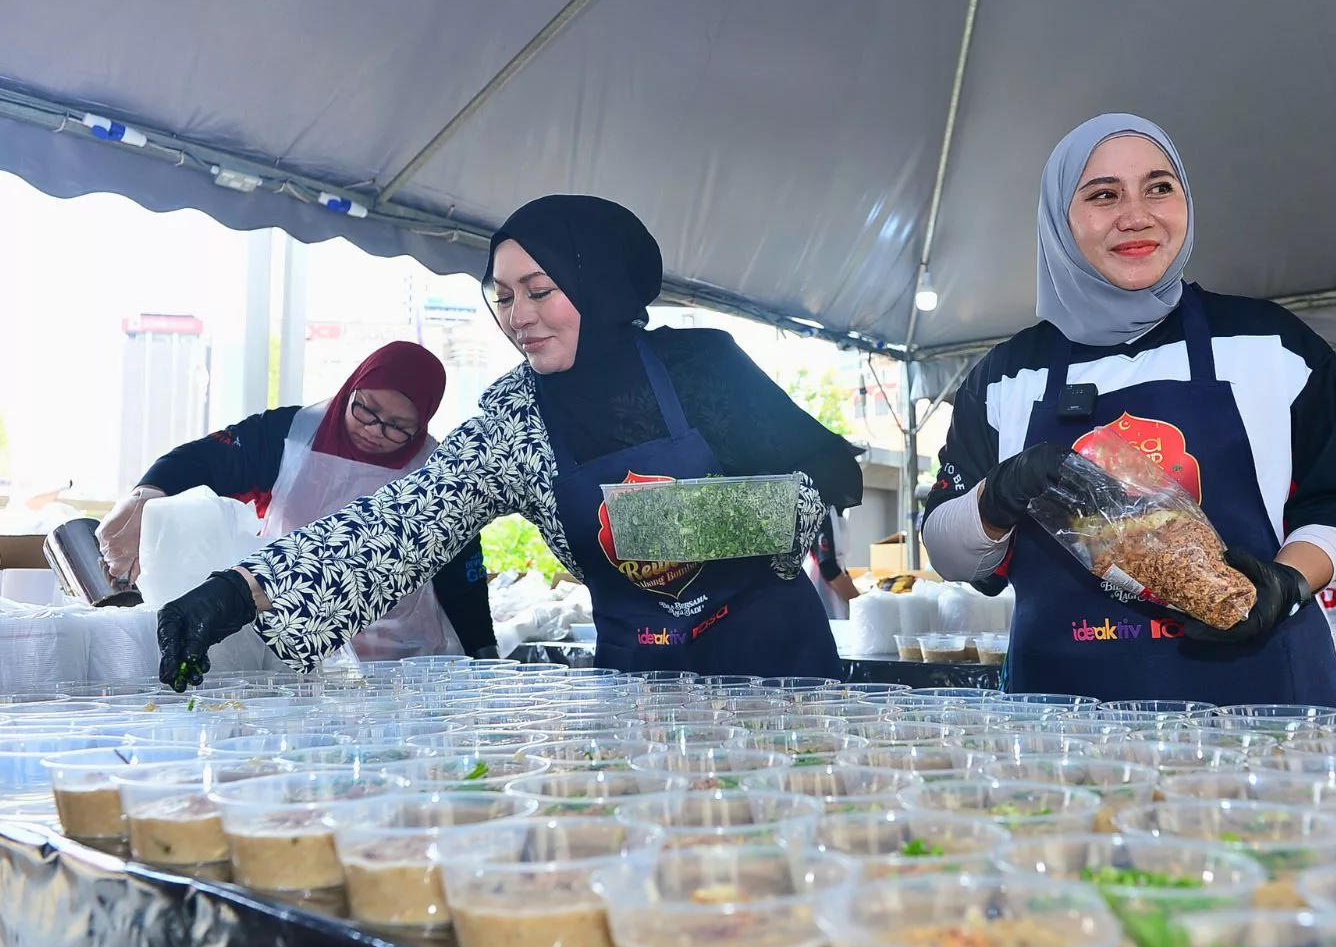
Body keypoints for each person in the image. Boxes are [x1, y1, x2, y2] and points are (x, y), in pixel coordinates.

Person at [152, 195, 862, 689]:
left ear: (600, 284)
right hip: (644, 690)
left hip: (777, 672)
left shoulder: (703, 367)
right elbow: (399, 525)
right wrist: (240, 591)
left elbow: (816, 489)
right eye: (502, 294)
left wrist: (660, 523)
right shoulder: (515, 420)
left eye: (539, 289)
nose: (517, 316)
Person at [922, 113, 1336, 706]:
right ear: (1060, 219)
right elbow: (947, 551)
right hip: (1065, 717)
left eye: (1159, 188)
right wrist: (995, 497)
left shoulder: (1270, 345)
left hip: (1259, 699)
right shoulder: (1004, 377)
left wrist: (1290, 580)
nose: (1136, 216)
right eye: (1103, 195)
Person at [97, 342, 494, 660]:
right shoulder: (290, 434)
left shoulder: (438, 470)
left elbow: (463, 577)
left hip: (402, 660)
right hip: (288, 643)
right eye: (366, 410)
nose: (375, 430)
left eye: (397, 428)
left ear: (421, 425)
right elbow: (200, 460)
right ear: (350, 388)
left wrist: (484, 651)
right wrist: (146, 494)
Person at [807, 506, 860, 620]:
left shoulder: (835, 509)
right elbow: (828, 567)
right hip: (822, 588)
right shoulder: (820, 508)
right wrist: (859, 603)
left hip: (836, 588)